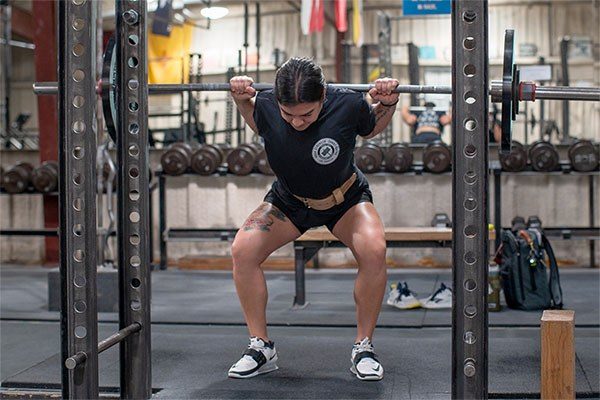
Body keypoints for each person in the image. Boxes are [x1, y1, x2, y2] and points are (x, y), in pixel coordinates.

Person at [227, 57, 399, 381]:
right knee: (243, 250)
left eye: (307, 113)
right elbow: (258, 120)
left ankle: (364, 347)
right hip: (289, 201)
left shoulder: (348, 103)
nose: (297, 123)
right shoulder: (265, 103)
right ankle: (261, 346)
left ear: (323, 96)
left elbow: (373, 127)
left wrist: (388, 103)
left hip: (344, 200)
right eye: (288, 114)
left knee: (374, 249)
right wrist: (240, 99)